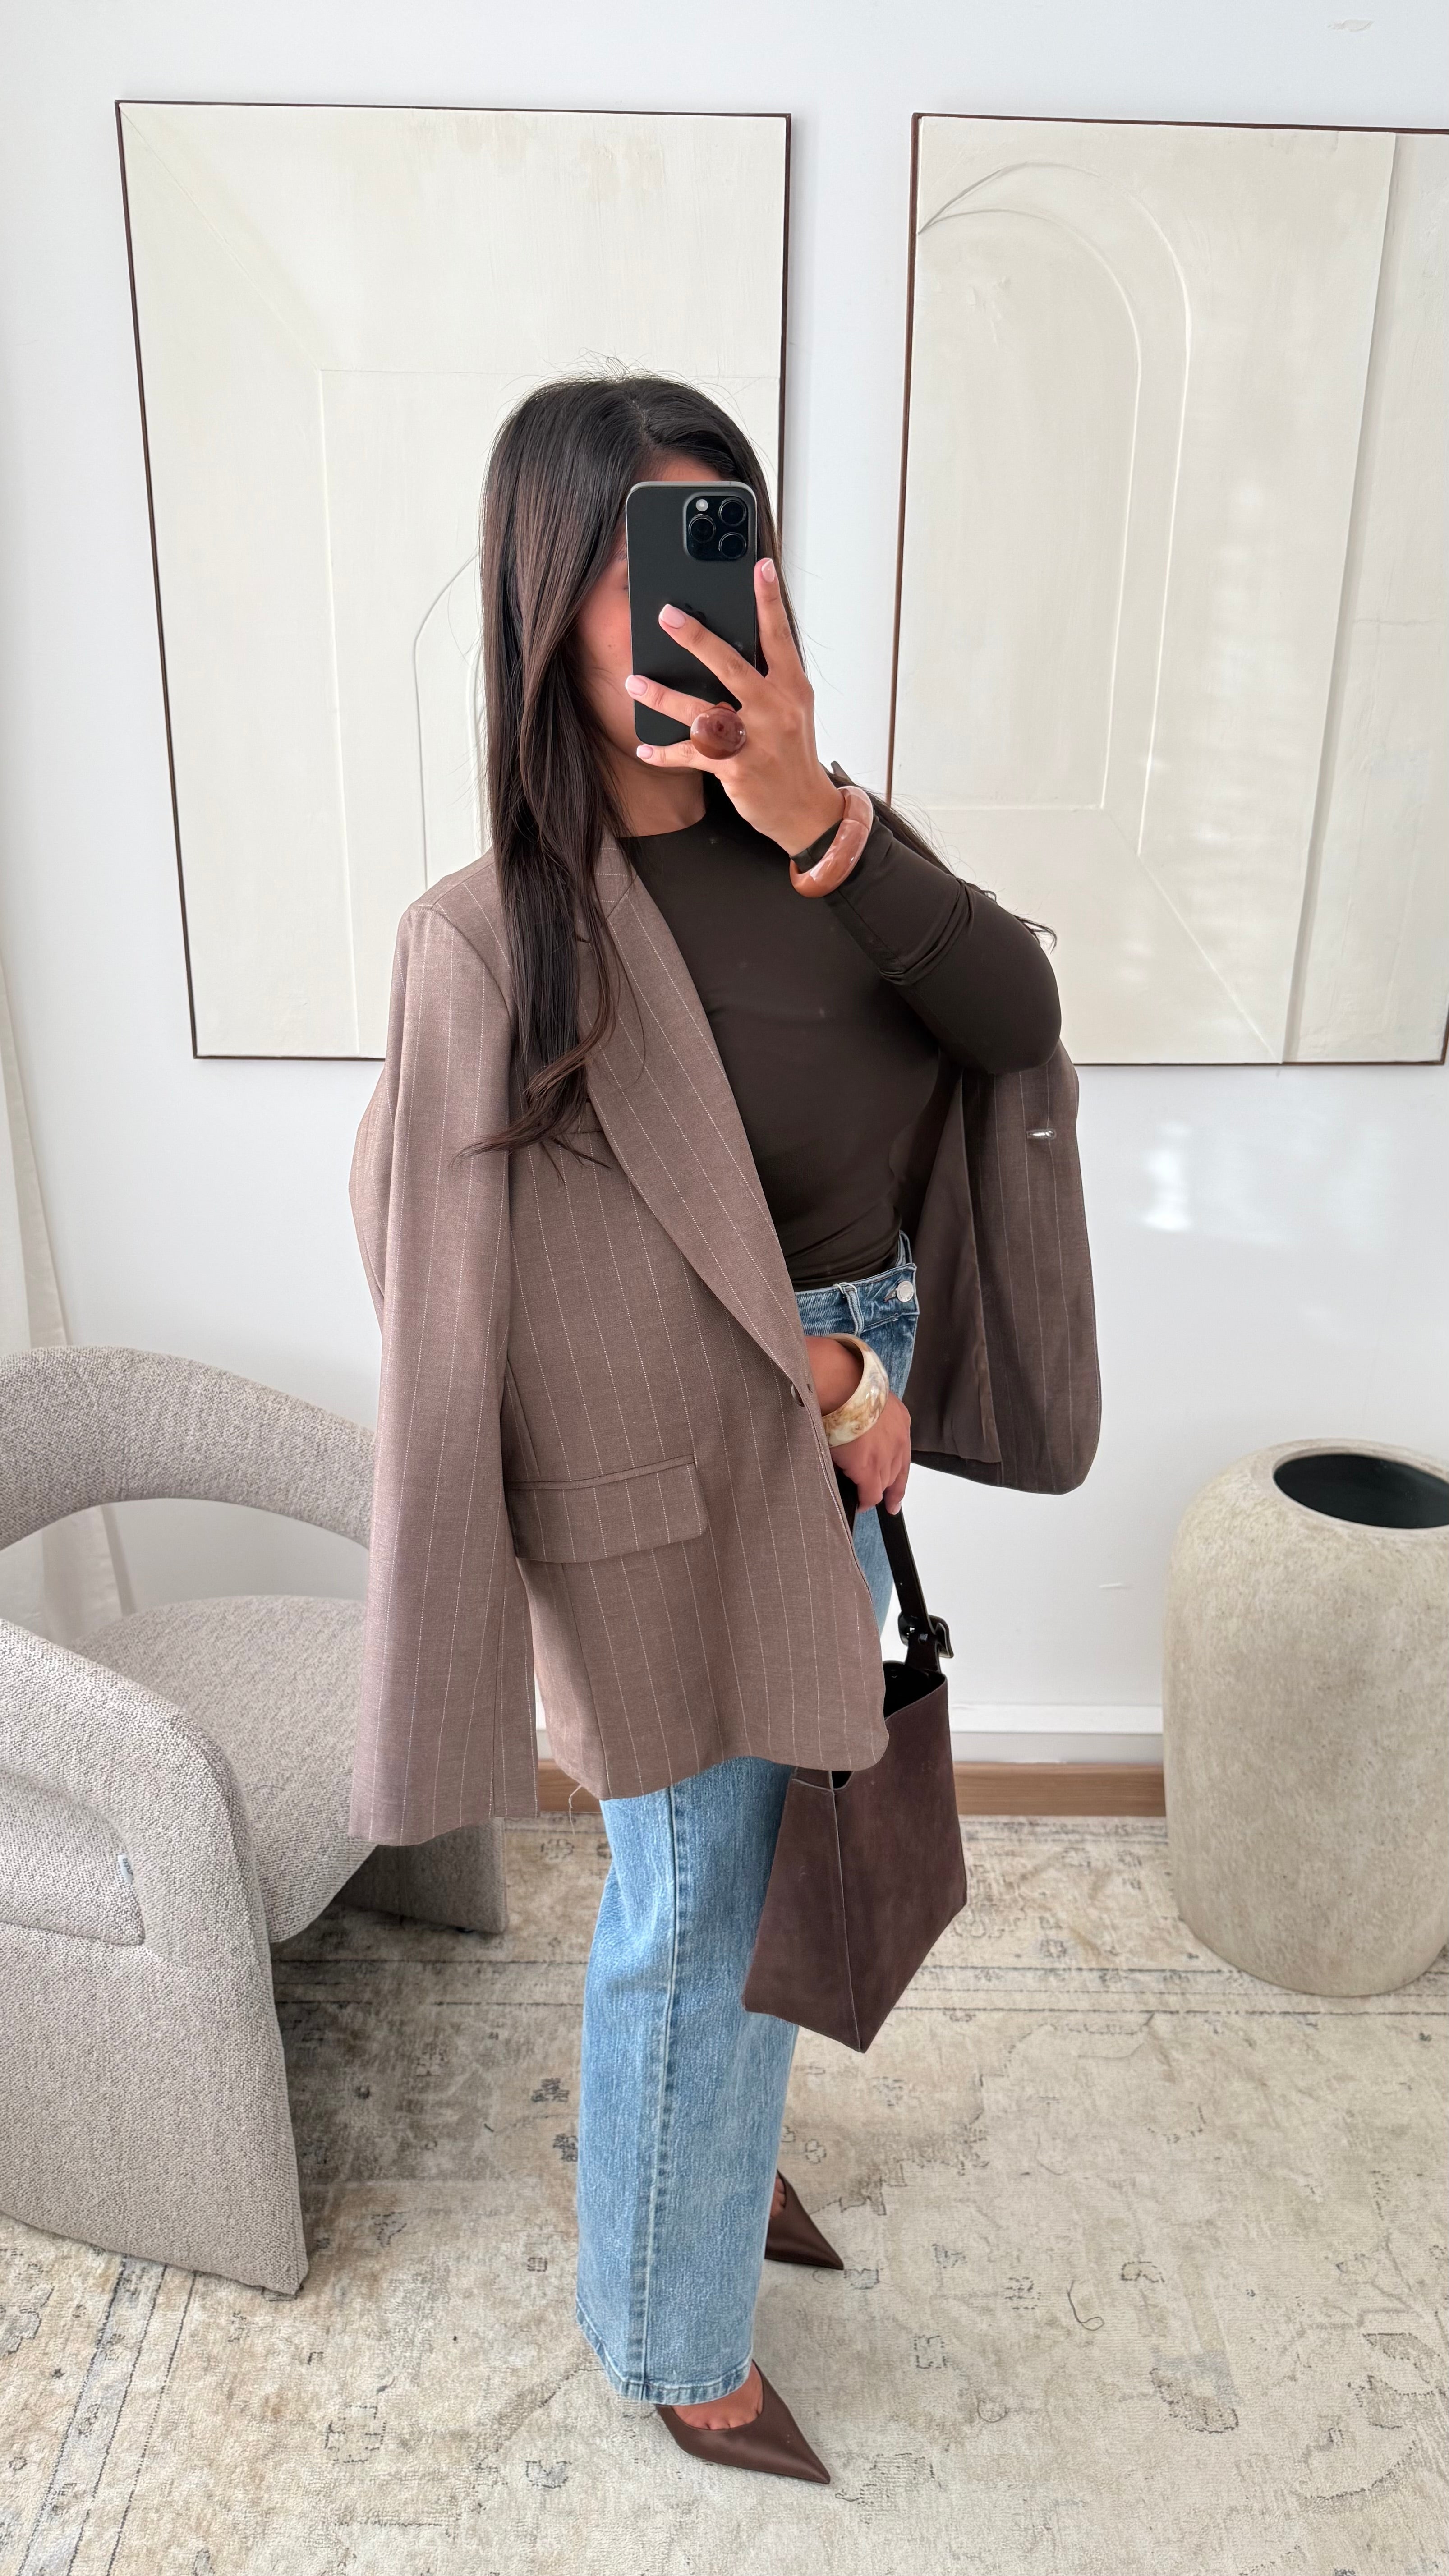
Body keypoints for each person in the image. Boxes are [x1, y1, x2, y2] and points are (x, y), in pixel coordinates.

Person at [348, 374, 1095, 2484]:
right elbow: (490, 1281)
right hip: (671, 1470)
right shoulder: (490, 940)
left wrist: (823, 815)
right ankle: (673, 2334)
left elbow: (1015, 1018)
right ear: (543, 606)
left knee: (761, 1853)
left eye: (718, 543)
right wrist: (831, 1389)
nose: (685, 602)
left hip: (851, 1410)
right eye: (628, 562)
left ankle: (703, 2159)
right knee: (693, 1889)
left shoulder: (829, 840)